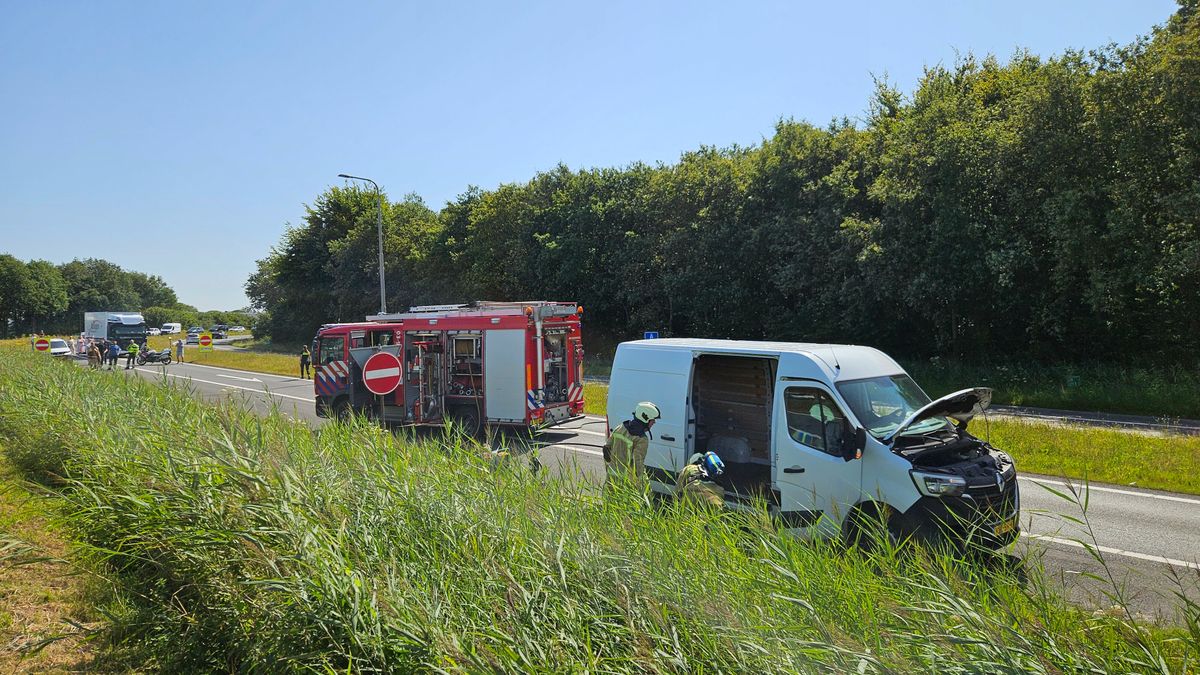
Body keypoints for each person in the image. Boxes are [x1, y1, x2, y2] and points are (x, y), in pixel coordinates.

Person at [602, 401, 660, 488]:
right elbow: (638, 464)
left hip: (611, 478)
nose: (654, 422)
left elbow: (606, 449)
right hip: (626, 484)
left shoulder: (620, 427)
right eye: (653, 420)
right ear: (645, 419)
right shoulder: (641, 439)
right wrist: (645, 485)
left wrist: (610, 468)